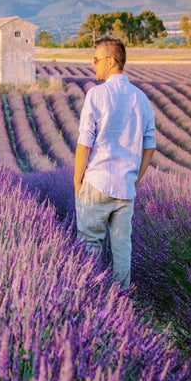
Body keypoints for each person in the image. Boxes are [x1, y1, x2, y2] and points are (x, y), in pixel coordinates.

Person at [73, 36, 156, 290]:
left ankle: (88, 299)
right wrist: (136, 178)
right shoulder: (141, 98)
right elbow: (149, 145)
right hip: (125, 188)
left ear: (110, 61)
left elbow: (84, 143)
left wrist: (78, 182)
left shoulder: (97, 95)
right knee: (122, 250)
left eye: (96, 59)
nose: (93, 64)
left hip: (97, 183)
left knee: (89, 245)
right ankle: (122, 306)